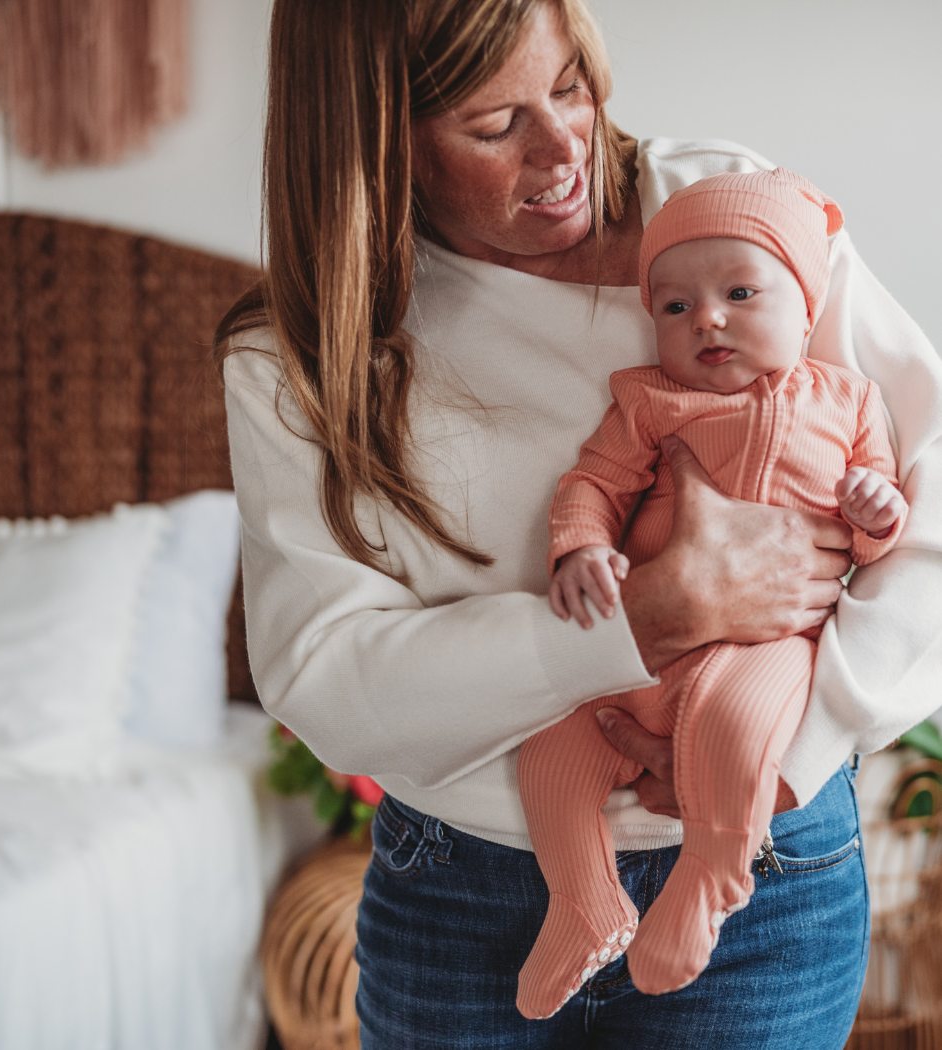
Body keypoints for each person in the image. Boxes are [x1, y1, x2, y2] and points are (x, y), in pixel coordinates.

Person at [216, 0, 942, 1046]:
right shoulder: (303, 360)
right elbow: (323, 671)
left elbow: (922, 492)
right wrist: (642, 617)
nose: (565, 148)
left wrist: (793, 744)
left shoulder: (723, 210)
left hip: (761, 882)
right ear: (381, 144)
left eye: (569, 85)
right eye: (493, 124)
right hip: (461, 905)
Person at [517, 168, 907, 1018]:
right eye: (677, 307)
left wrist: (877, 509)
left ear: (805, 307)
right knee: (549, 752)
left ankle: (713, 869)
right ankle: (585, 900)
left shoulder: (848, 400)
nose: (710, 320)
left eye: (739, 292)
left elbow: (880, 527)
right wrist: (579, 546)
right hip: (641, 647)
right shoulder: (651, 401)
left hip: (767, 650)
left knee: (735, 731)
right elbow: (594, 482)